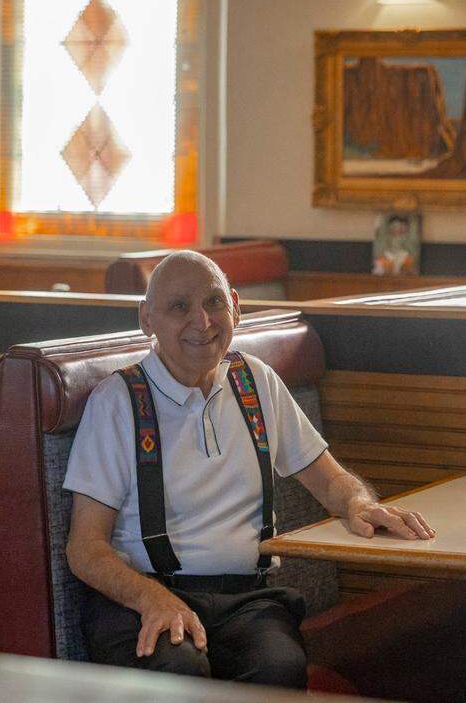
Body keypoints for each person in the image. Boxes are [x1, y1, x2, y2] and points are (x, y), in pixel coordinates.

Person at [63, 251, 434, 688]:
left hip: (248, 601)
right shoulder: (118, 401)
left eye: (214, 302)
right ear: (147, 319)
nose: (202, 322)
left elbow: (331, 479)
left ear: (235, 306)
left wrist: (359, 504)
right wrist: (152, 599)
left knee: (280, 669)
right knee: (182, 674)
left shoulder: (255, 381)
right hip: (146, 598)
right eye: (179, 306)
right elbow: (85, 549)